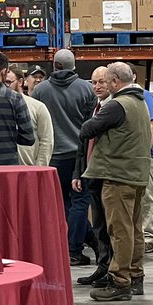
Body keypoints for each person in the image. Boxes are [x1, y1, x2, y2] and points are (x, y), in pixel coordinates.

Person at [79, 62, 153, 302]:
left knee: (119, 230)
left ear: (115, 82)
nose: (103, 85)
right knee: (133, 229)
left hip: (117, 176)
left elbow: (87, 129)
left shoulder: (116, 105)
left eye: (107, 80)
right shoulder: (141, 102)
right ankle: (135, 276)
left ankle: (120, 281)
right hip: (136, 174)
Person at [32, 49, 97, 264]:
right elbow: (91, 123)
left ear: (54, 65)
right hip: (78, 155)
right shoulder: (87, 89)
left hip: (51, 156)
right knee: (79, 201)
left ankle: (72, 246)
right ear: (73, 66)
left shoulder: (40, 90)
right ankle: (74, 249)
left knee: (63, 203)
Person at [74, 66, 115, 288]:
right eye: (93, 82)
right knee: (98, 225)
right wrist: (78, 172)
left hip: (108, 175)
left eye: (101, 82)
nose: (97, 86)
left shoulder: (115, 109)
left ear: (112, 83)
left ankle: (113, 270)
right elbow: (83, 141)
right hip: (92, 173)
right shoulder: (94, 107)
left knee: (111, 226)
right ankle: (103, 266)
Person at [7, 66, 54, 167]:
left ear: (20, 82)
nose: (5, 87)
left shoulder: (38, 107)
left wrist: (40, 168)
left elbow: (46, 140)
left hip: (29, 167)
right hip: (4, 169)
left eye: (8, 82)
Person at [139, 85, 153, 254]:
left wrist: (145, 151)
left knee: (147, 195)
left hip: (144, 156)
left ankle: (149, 238)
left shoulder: (144, 95)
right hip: (132, 158)